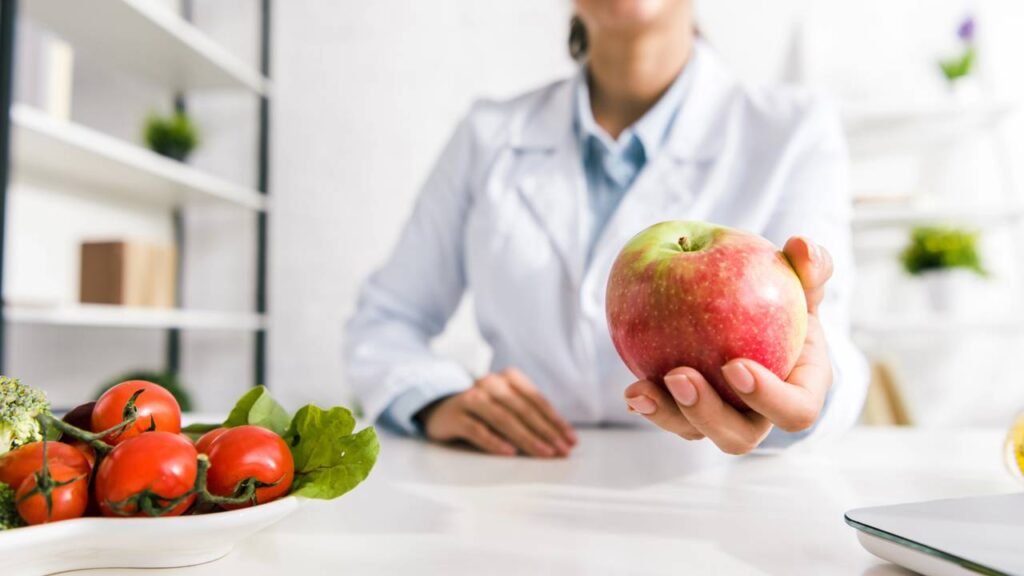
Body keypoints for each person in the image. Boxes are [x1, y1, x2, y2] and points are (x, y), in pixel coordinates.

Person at [345, 0, 868, 457]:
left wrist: (806, 399)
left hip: (717, 492)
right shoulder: (488, 135)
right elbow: (386, 321)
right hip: (515, 485)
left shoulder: (793, 129)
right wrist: (434, 398)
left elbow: (827, 342)